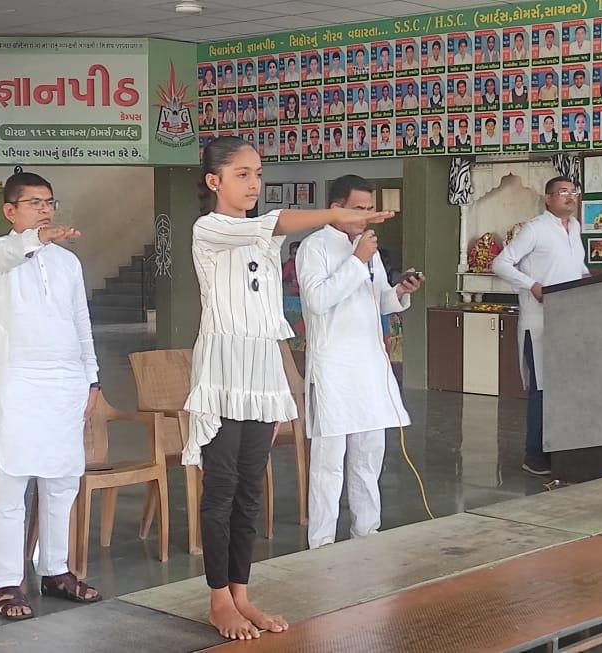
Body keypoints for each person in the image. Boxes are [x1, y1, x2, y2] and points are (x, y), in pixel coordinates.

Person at [187, 136, 392, 640]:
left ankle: (241, 592)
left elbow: (271, 237)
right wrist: (334, 216)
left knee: (249, 491)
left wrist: (286, 380)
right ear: (214, 182)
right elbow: (276, 222)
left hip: (261, 369)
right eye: (241, 174)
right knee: (221, 490)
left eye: (257, 173)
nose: (253, 183)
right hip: (223, 369)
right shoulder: (208, 228)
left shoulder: (263, 236)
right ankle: (217, 600)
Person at [0, 172, 101, 622]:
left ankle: (55, 570)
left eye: (49, 202)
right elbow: (14, 250)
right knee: (10, 484)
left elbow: (80, 322)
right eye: (33, 203)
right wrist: (36, 237)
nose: (45, 210)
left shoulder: (67, 263)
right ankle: (7, 582)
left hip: (65, 384)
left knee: (62, 481)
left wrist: (92, 379)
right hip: (18, 384)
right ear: (10, 211)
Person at [297, 175, 421, 550]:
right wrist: (356, 261)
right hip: (333, 369)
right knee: (329, 465)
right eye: (358, 209)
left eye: (370, 209)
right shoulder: (313, 247)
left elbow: (378, 300)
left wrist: (400, 291)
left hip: (368, 367)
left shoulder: (368, 250)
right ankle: (321, 543)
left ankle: (366, 535)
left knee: (369, 459)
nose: (366, 217)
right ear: (335, 207)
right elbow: (317, 301)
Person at [491, 177, 588, 476]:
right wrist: (531, 285)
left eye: (573, 192)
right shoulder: (536, 229)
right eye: (562, 193)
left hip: (569, 320)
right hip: (540, 323)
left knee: (565, 387)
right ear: (548, 199)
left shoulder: (575, 229)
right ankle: (534, 454)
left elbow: (576, 268)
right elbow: (501, 263)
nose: (569, 197)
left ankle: (560, 447)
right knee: (542, 388)